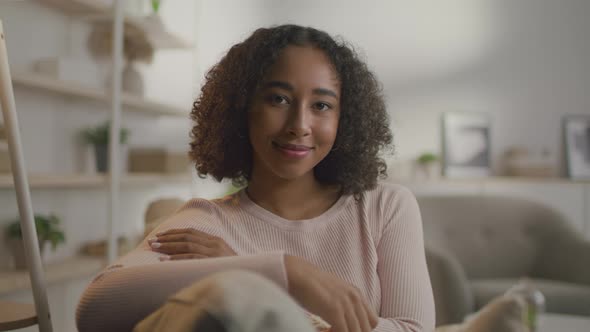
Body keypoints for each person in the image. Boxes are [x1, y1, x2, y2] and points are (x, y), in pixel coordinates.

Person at [76, 24, 435, 332]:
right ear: (242, 108)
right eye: (278, 99)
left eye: (321, 105)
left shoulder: (384, 206)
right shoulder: (207, 223)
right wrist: (286, 271)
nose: (299, 125)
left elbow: (412, 329)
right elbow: (95, 306)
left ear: (345, 121)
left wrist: (255, 278)